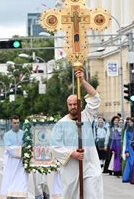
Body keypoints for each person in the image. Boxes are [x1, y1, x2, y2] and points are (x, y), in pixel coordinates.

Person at [51, 70, 103, 198]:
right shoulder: (61, 124)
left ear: (79, 104)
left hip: (89, 165)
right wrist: (72, 154)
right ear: (67, 105)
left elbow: (95, 98)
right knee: (72, 195)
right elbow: (55, 146)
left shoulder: (87, 115)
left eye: (75, 104)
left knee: (92, 194)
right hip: (71, 168)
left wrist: (82, 81)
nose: (73, 106)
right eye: (71, 104)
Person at [0, 115, 28, 198]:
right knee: (11, 179)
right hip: (11, 162)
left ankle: (21, 194)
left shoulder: (24, 134)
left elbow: (27, 145)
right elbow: (9, 148)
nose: (16, 124)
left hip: (22, 162)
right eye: (14, 123)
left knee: (22, 179)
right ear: (11, 123)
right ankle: (11, 194)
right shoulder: (7, 135)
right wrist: (21, 149)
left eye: (18, 123)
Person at [122, 117, 134, 183]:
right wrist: (126, 150)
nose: (130, 123)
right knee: (130, 162)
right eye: (129, 122)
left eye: (131, 122)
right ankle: (127, 177)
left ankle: (133, 177)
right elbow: (126, 141)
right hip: (130, 147)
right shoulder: (127, 130)